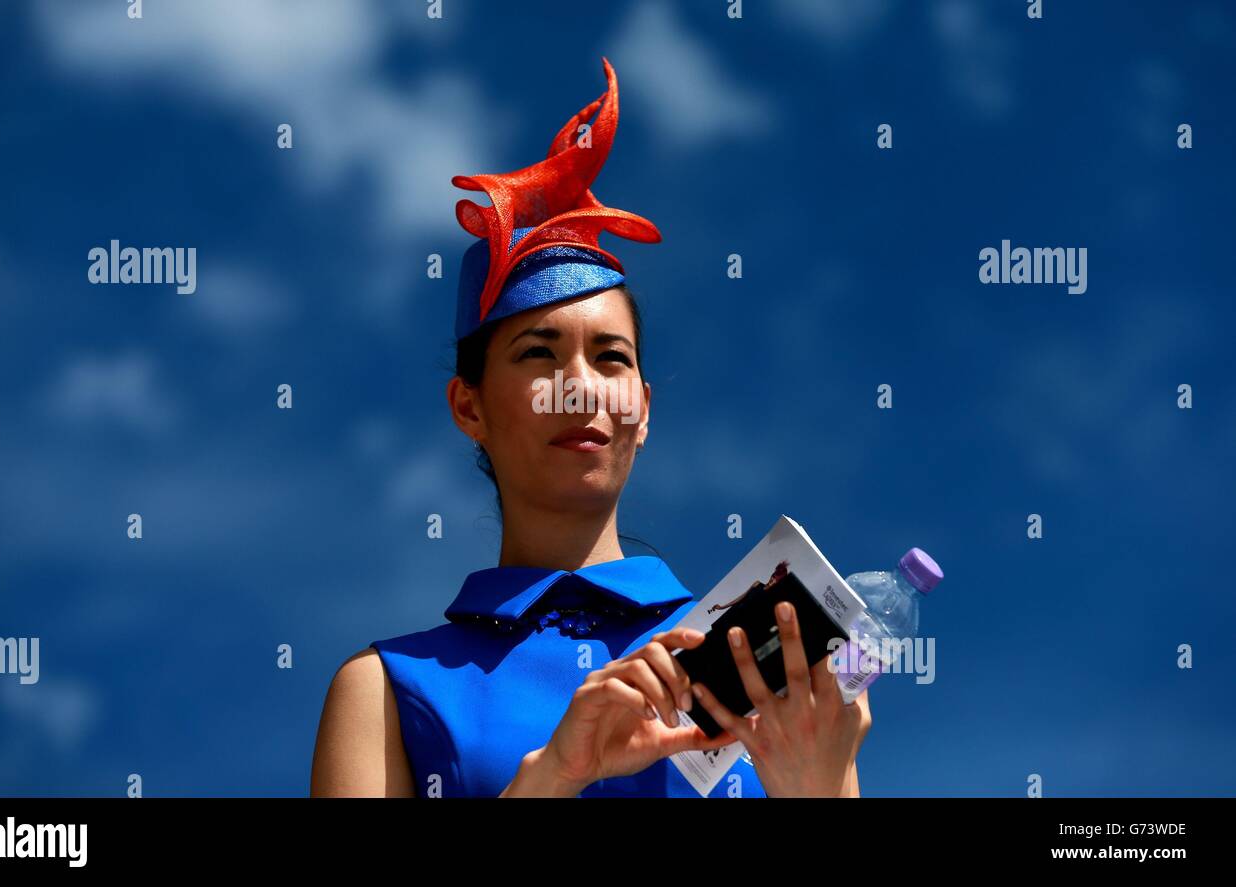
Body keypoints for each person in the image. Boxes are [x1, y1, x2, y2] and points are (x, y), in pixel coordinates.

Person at [310, 57, 872, 798]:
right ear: (468, 405)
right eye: (539, 354)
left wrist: (818, 787)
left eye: (610, 359)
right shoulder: (384, 689)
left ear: (643, 410)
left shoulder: (766, 663)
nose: (580, 389)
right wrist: (552, 778)